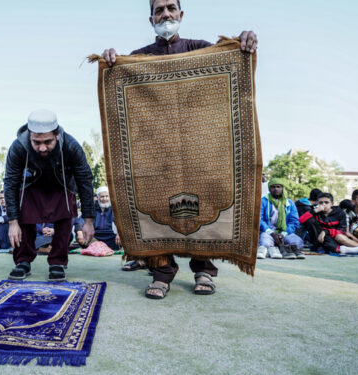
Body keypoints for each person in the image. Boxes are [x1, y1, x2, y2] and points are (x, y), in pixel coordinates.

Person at [101, 0, 257, 299]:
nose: (166, 14)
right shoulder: (140, 57)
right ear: (151, 19)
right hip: (158, 154)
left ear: (181, 14)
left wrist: (244, 40)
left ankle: (204, 270)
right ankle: (161, 273)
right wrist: (112, 62)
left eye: (171, 8)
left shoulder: (201, 48)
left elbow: (232, 59)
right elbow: (121, 85)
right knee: (158, 208)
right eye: (159, 10)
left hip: (199, 148)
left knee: (203, 205)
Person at [3, 109, 95, 282]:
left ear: (57, 135)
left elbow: (85, 180)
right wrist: (12, 222)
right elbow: (10, 184)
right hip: (31, 185)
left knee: (65, 215)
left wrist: (88, 221)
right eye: (36, 142)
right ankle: (23, 260)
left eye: (47, 141)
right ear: (29, 135)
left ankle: (58, 262)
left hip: (61, 185)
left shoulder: (71, 145)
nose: (42, 148)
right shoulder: (18, 147)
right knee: (24, 216)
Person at [257, 178, 304, 259]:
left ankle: (280, 247)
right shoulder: (263, 201)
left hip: (285, 232)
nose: (276, 189)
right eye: (273, 187)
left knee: (297, 243)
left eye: (278, 187)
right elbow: (259, 219)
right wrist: (271, 233)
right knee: (265, 243)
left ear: (282, 188)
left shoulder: (290, 203)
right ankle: (277, 247)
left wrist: (284, 234)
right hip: (268, 232)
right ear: (269, 189)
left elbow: (294, 221)